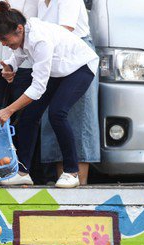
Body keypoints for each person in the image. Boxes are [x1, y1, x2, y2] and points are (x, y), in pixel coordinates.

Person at [0, 2, 99, 188]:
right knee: (29, 115)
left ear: (19, 29)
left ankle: (71, 172)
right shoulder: (24, 31)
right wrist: (10, 66)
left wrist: (8, 110)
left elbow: (38, 88)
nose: (4, 44)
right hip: (59, 70)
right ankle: (23, 172)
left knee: (57, 113)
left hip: (80, 66)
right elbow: (20, 52)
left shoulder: (39, 39)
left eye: (4, 39)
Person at [37, 0, 100, 185]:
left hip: (76, 54)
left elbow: (65, 30)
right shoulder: (40, 2)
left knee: (78, 123)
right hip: (53, 55)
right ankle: (62, 183)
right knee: (54, 120)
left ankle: (79, 189)